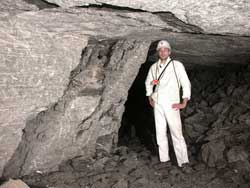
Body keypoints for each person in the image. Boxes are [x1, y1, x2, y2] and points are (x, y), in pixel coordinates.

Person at [145, 40, 191, 171]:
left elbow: (185, 83)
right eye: (160, 50)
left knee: (176, 133)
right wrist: (149, 96)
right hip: (158, 103)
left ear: (169, 52)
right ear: (158, 53)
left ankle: (184, 162)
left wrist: (184, 102)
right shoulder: (154, 67)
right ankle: (164, 159)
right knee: (160, 132)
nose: (163, 52)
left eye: (165, 49)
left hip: (172, 104)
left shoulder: (177, 65)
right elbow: (148, 82)